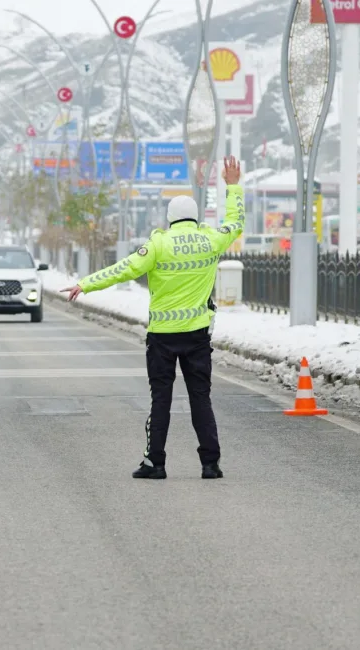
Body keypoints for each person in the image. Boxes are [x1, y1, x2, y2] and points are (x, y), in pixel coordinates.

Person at [61, 156, 244, 480]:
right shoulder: (211, 240)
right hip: (198, 335)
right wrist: (233, 187)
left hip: (162, 338)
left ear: (170, 218)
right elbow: (235, 222)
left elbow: (122, 269)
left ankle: (154, 463)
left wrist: (84, 284)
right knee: (201, 399)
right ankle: (210, 464)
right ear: (195, 217)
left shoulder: (159, 244)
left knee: (161, 399)